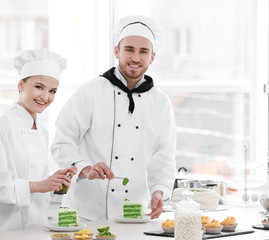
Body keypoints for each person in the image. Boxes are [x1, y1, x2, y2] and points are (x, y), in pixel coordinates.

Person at [50, 15, 176, 221]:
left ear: (152, 57)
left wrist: (159, 191)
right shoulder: (91, 92)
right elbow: (62, 142)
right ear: (116, 51)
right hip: (84, 213)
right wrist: (85, 168)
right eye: (129, 49)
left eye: (143, 51)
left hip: (134, 212)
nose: (135, 58)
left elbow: (164, 156)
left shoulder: (161, 102)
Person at [0, 49, 77, 234]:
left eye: (52, 91)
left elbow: (34, 178)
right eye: (39, 87)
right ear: (21, 85)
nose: (45, 97)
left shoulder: (42, 131)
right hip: (1, 231)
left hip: (35, 229)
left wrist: (54, 182)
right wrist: (39, 185)